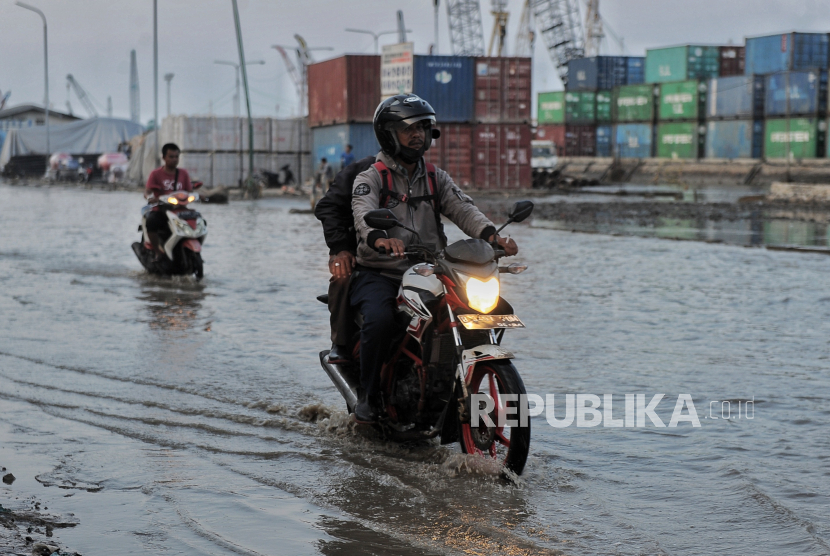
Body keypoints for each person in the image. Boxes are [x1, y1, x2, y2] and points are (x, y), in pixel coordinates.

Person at [349, 94, 518, 423]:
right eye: (409, 129)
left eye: (423, 128)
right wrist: (379, 239)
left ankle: (452, 380)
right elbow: (362, 214)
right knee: (381, 320)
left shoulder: (436, 177)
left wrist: (492, 236)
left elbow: (463, 209)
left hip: (431, 269)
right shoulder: (370, 178)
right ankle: (368, 398)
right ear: (388, 134)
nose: (418, 135)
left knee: (489, 310)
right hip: (380, 273)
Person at [314, 154, 376, 363]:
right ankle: (340, 342)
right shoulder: (361, 169)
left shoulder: (429, 175)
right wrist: (341, 247)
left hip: (411, 253)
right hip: (356, 248)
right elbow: (327, 206)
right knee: (342, 274)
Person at [144, 142, 192, 257]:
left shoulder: (183, 173)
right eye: (171, 157)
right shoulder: (155, 174)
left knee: (198, 220)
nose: (174, 159)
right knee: (151, 222)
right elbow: (147, 191)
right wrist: (151, 198)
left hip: (180, 211)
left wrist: (200, 196)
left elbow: (189, 191)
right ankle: (157, 251)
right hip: (161, 211)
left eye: (176, 157)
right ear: (164, 157)